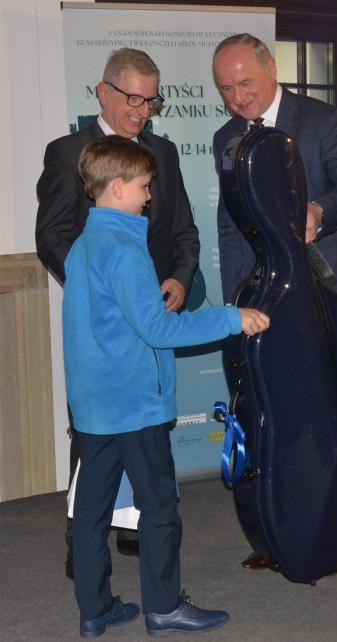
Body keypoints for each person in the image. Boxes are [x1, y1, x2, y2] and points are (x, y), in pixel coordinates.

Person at [64, 134, 270, 637]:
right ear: (117, 188)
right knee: (158, 507)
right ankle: (163, 608)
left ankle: (94, 610)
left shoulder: (83, 245)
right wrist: (231, 318)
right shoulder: (123, 250)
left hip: (94, 406)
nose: (149, 196)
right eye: (143, 186)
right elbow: (158, 330)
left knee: (91, 512)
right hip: (135, 404)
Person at [212, 33, 337, 570]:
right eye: (226, 88)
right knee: (278, 420)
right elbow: (230, 228)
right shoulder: (225, 139)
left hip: (328, 297)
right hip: (266, 307)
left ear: (271, 70)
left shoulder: (322, 121)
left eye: (246, 83)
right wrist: (237, 302)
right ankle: (286, 529)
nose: (238, 97)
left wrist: (319, 212)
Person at [36, 47, 200, 576]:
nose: (142, 110)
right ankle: (81, 541)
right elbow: (52, 235)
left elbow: (183, 231)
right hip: (103, 325)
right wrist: (101, 288)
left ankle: (136, 528)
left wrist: (179, 277)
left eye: (151, 100)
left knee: (147, 427)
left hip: (152, 319)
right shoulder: (67, 152)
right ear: (103, 92)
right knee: (95, 433)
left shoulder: (163, 153)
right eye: (133, 98)